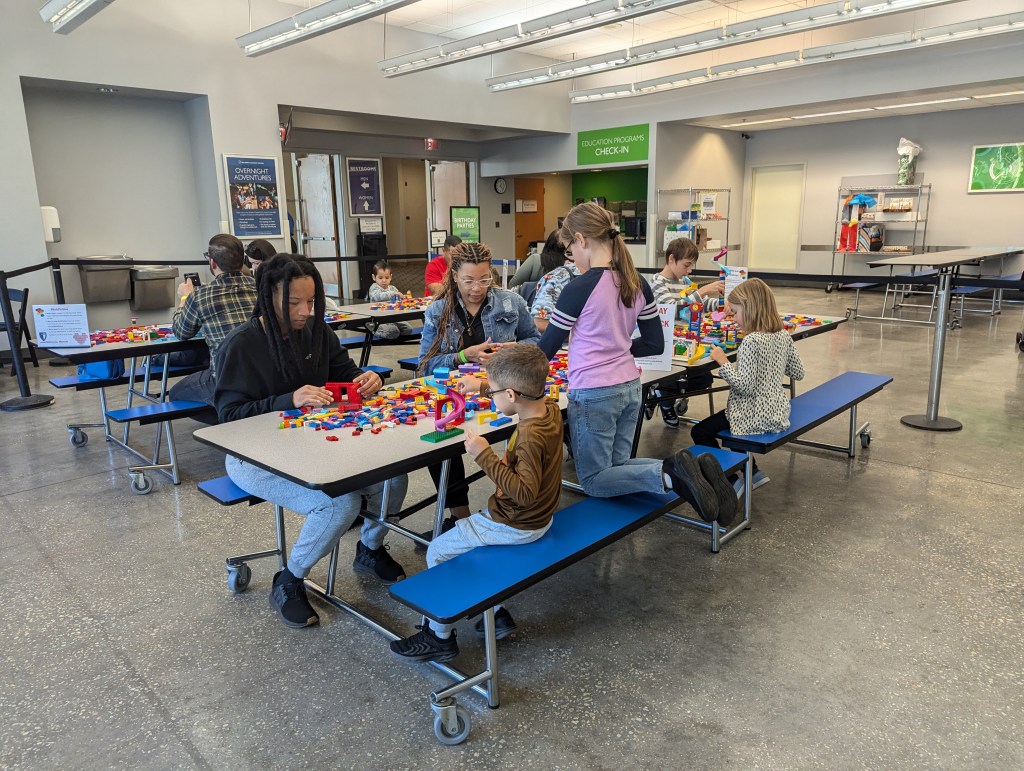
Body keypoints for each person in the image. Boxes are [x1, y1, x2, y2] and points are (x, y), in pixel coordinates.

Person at [215, 254, 410, 629]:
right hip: (252, 457)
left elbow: (346, 374)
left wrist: (366, 379)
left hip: (318, 446)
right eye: (294, 302)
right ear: (268, 297)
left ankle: (369, 549)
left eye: (311, 301)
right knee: (339, 503)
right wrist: (289, 400)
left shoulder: (317, 332)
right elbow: (228, 418)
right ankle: (288, 580)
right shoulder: (241, 345)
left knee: (393, 477)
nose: (306, 311)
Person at [536, 202, 736, 527]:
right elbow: (655, 344)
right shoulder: (636, 281)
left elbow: (544, 350)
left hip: (594, 392)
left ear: (581, 239)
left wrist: (499, 379)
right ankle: (694, 470)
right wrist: (616, 347)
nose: (571, 257)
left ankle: (670, 474)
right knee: (616, 467)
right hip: (630, 387)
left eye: (570, 250)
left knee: (594, 480)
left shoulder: (578, 288)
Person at [390, 345, 562, 662]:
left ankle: (438, 636)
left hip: (516, 522)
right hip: (540, 516)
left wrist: (484, 455)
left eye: (494, 392)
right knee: (466, 549)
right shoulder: (548, 409)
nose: (491, 396)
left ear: (510, 395)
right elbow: (514, 395)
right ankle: (495, 613)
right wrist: (481, 386)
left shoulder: (529, 436)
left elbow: (524, 493)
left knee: (437, 550)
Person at [417, 241, 541, 537]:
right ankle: (459, 516)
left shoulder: (510, 302)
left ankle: (514, 507)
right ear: (454, 276)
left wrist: (514, 350)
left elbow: (536, 342)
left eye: (484, 279)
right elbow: (425, 365)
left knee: (528, 437)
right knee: (442, 447)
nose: (477, 288)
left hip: (502, 395)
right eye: (469, 280)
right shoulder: (438, 310)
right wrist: (463, 356)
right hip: (457, 397)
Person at [692, 278, 805, 496]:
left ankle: (731, 480)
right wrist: (773, 363)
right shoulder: (783, 335)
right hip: (778, 411)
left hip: (753, 414)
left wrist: (723, 362)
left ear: (749, 308)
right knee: (732, 422)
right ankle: (753, 473)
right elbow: (798, 373)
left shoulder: (751, 342)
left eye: (735, 312)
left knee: (700, 431)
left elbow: (744, 387)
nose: (734, 319)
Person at [168, 234, 257, 408]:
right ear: (243, 260)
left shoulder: (200, 296)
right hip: (264, 374)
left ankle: (227, 414)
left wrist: (185, 297)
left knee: (175, 394)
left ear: (212, 263)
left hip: (225, 379)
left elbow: (181, 332)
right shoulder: (261, 287)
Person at [646, 237, 726, 428]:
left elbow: (699, 304)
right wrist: (703, 290)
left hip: (687, 342)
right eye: (686, 265)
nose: (689, 270)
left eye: (691, 266)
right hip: (665, 347)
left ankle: (660, 396)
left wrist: (722, 304)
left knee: (703, 378)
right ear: (671, 259)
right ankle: (663, 400)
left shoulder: (684, 281)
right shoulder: (657, 283)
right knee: (671, 379)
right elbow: (673, 309)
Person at [530, 231, 581, 333]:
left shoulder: (555, 277)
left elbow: (513, 282)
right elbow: (540, 322)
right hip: (567, 340)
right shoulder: (558, 278)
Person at [366, 259, 415, 339]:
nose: (384, 280)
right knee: (393, 332)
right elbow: (377, 296)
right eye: (380, 278)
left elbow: (398, 301)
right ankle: (373, 329)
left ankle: (392, 327)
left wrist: (404, 298)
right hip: (379, 319)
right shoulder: (374, 288)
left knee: (408, 330)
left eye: (387, 277)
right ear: (374, 277)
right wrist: (392, 294)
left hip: (393, 318)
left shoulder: (393, 288)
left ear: (391, 277)